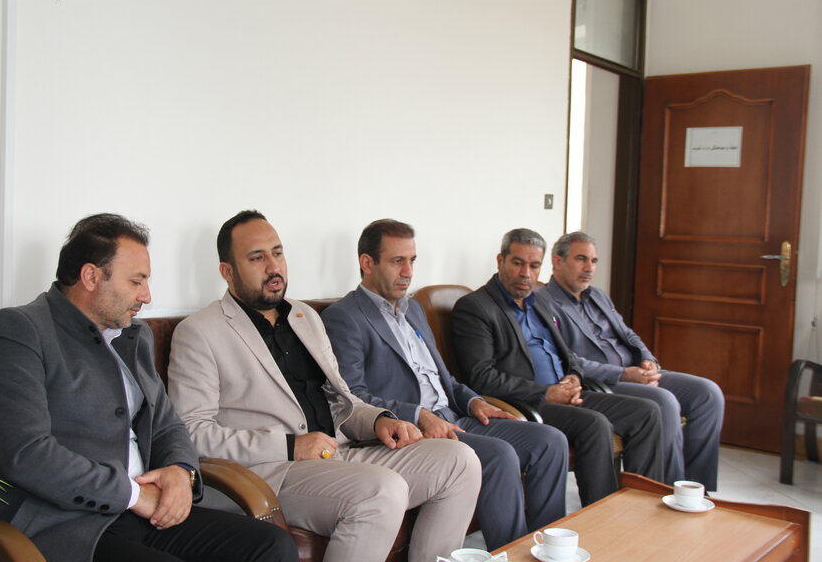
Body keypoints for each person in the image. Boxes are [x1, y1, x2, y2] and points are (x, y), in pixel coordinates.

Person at [0, 213, 296, 562]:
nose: (147, 296)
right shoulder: (17, 331)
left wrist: (180, 472)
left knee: (271, 545)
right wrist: (133, 495)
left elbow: (168, 425)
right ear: (91, 276)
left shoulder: (132, 336)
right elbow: (28, 454)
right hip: (65, 523)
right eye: (136, 281)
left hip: (144, 512)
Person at [167, 211, 481, 562]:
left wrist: (378, 420)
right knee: (381, 490)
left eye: (277, 252)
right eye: (257, 258)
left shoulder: (305, 317)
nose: (273, 266)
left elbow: (340, 399)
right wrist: (291, 446)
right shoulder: (200, 332)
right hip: (272, 470)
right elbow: (193, 433)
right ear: (227, 271)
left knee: (460, 461)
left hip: (339, 453)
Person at [321, 219, 568, 549]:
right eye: (397, 261)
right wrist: (419, 415)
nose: (408, 272)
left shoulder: (413, 310)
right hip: (412, 432)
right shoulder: (345, 317)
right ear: (367, 263)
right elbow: (352, 397)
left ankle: (551, 548)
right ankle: (513, 551)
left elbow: (442, 377)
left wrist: (474, 401)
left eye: (412, 260)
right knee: (499, 455)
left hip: (455, 415)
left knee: (550, 441)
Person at [451, 227, 665, 505]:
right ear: (500, 260)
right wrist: (546, 392)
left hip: (566, 393)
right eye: (518, 263)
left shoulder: (539, 301)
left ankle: (643, 506)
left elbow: (568, 355)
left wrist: (574, 377)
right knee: (595, 424)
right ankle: (602, 513)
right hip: (527, 402)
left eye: (534, 266)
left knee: (647, 412)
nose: (526, 273)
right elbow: (482, 377)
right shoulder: (476, 307)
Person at [544, 231, 724, 489]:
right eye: (581, 259)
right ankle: (666, 491)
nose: (589, 268)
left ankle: (696, 489)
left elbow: (628, 334)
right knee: (664, 401)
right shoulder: (544, 303)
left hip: (636, 372)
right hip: (604, 382)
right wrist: (624, 374)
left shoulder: (598, 296)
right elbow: (567, 360)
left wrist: (649, 361)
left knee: (708, 393)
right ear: (557, 261)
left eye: (594, 261)